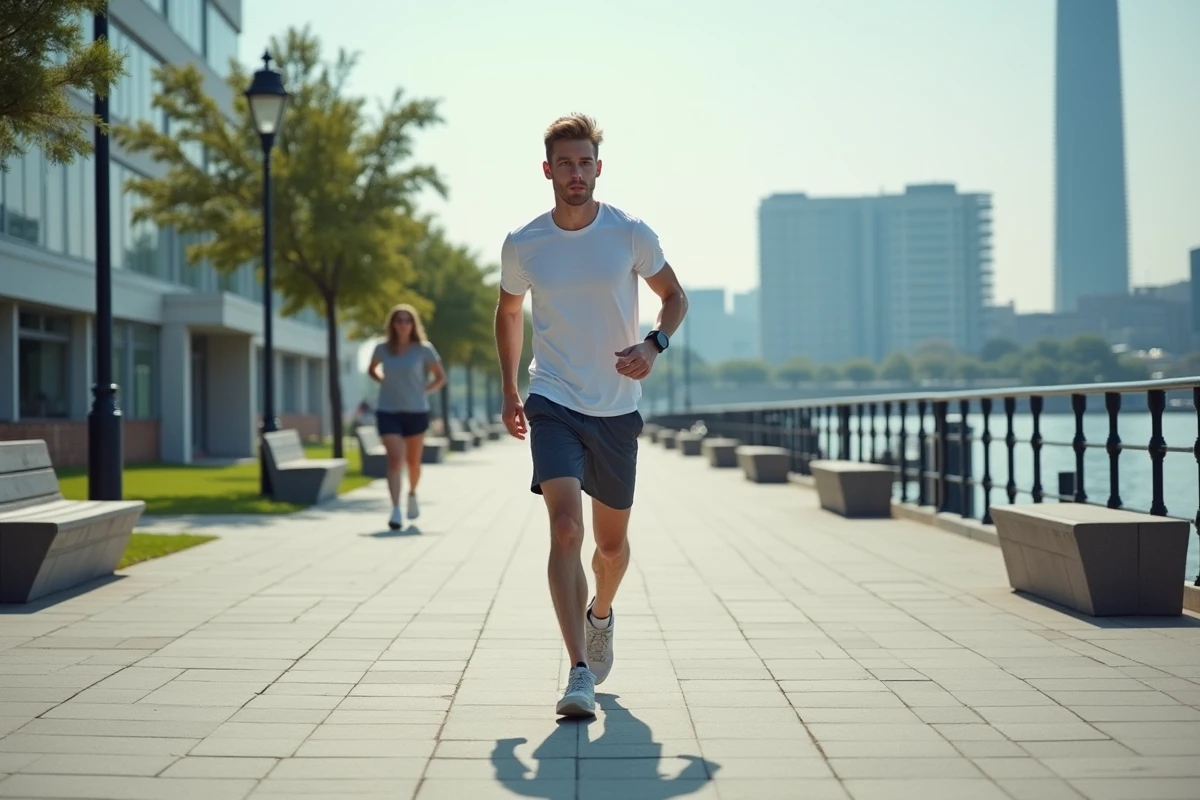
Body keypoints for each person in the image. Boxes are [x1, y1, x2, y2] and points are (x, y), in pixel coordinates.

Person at [494, 113, 688, 717]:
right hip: (552, 399)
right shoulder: (524, 243)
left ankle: (600, 612)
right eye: (565, 163)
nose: (575, 173)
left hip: (616, 408)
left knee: (609, 546)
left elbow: (674, 298)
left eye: (585, 163)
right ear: (547, 169)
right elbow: (506, 314)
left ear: (597, 169)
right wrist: (509, 389)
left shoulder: (629, 234)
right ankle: (579, 672)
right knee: (565, 530)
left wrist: (652, 345)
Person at [367, 303, 447, 530]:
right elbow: (372, 369)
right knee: (394, 460)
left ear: (413, 324)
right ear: (392, 324)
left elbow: (440, 377)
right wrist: (384, 381)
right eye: (399, 320)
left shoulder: (424, 349)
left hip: (416, 411)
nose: (403, 324)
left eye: (407, 320)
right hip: (388, 410)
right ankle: (395, 510)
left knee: (413, 463)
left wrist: (424, 390)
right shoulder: (381, 348)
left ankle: (412, 494)